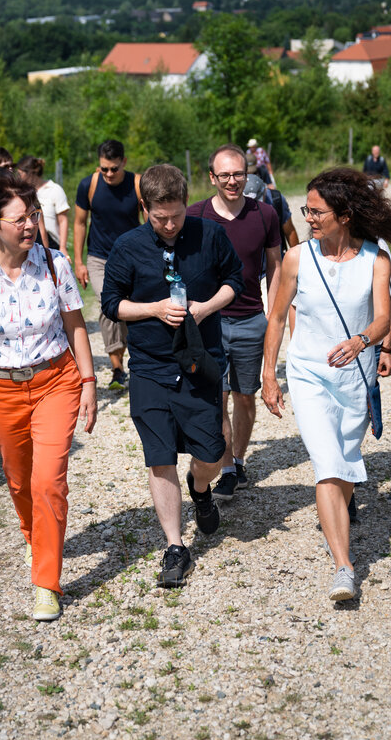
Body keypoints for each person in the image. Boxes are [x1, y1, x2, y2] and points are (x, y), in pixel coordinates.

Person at [0, 175, 97, 621]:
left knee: (48, 480)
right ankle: (36, 535)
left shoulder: (54, 264)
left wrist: (88, 382)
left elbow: (75, 325)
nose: (30, 225)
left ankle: (46, 582)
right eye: (19, 219)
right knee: (19, 479)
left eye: (33, 215)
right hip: (0, 390)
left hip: (55, 381)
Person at [261, 168, 391, 601]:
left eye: (317, 211)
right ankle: (343, 566)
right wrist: (270, 374)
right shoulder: (296, 258)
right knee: (327, 465)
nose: (308, 218)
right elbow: (275, 317)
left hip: (356, 376)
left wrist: (365, 340)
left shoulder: (376, 259)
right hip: (308, 374)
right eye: (307, 209)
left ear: (344, 215)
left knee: (344, 461)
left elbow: (384, 317)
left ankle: (338, 520)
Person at [101, 164, 244, 587]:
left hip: (201, 362)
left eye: (176, 215)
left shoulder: (211, 235)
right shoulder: (127, 247)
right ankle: (175, 546)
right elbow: (112, 304)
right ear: (144, 206)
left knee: (212, 454)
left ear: (186, 203)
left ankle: (200, 490)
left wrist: (205, 307)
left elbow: (235, 280)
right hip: (149, 366)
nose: (168, 224)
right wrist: (153, 309)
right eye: (159, 217)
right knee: (159, 456)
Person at [188, 144, 281, 501]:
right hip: (209, 322)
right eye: (224, 175)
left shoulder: (264, 215)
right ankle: (226, 468)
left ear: (248, 174)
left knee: (244, 396)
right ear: (212, 177)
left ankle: (238, 459)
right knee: (218, 396)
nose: (231, 181)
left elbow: (275, 265)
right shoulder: (196, 216)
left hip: (250, 320)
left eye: (238, 174)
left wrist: (274, 314)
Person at [74, 140, 141, 390]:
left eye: (114, 168)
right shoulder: (88, 185)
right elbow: (80, 223)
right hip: (99, 258)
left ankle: (139, 360)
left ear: (124, 162)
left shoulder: (137, 184)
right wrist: (79, 261)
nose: (109, 174)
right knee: (108, 305)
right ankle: (117, 368)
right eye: (104, 169)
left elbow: (148, 222)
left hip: (132, 258)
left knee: (132, 308)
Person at [15, 155, 70, 255]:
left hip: (52, 243)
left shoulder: (55, 189)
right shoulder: (21, 193)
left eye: (20, 174)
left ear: (30, 173)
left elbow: (63, 220)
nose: (18, 177)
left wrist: (63, 247)